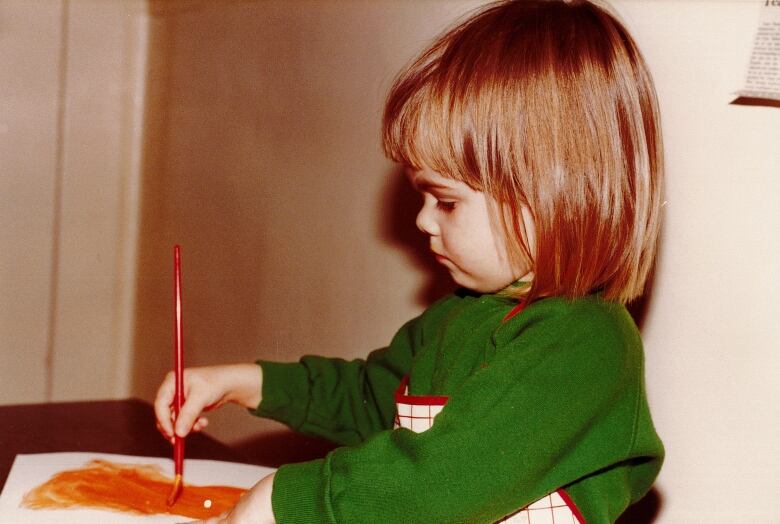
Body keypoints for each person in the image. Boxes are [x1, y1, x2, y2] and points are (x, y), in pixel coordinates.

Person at [154, 1, 665, 522]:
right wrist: (246, 382)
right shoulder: (461, 316)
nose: (423, 221)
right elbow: (374, 401)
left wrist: (286, 501)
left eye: (445, 200)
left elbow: (442, 478)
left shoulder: (582, 346)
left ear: (550, 194)